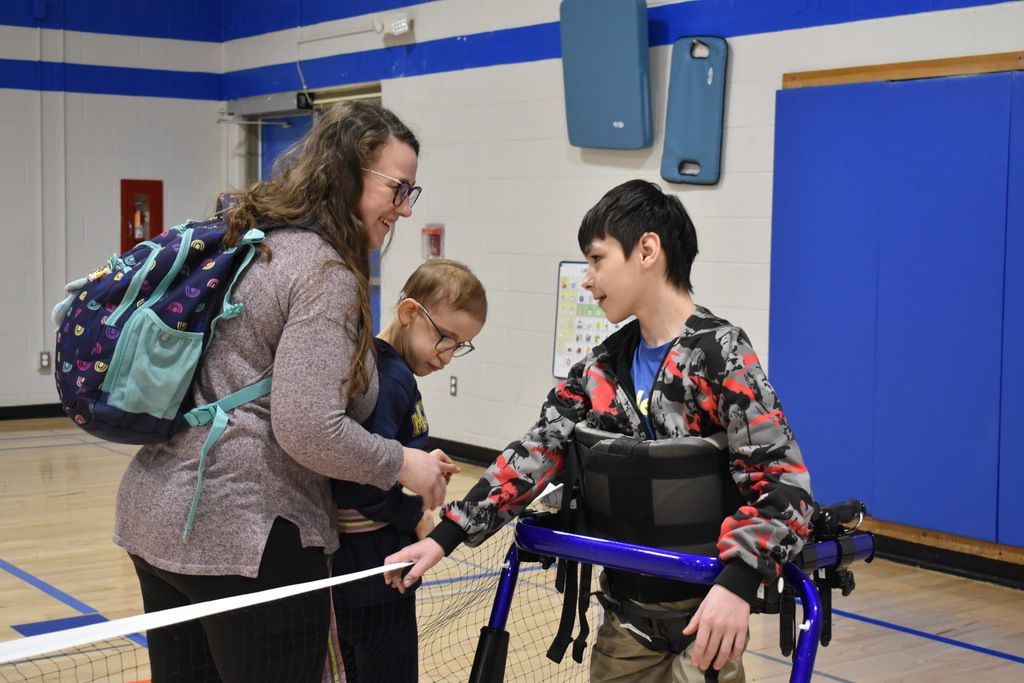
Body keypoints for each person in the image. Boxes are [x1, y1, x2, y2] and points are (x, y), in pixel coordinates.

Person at [385, 179, 815, 682]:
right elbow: (534, 451)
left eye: (596, 259)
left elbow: (785, 484)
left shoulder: (721, 354)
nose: (587, 279)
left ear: (647, 250)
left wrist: (738, 584)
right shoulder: (600, 368)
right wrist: (445, 535)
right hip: (625, 622)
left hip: (709, 620)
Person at [113, 100, 457, 683]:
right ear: (348, 173)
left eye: (410, 194)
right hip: (248, 535)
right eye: (397, 188)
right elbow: (307, 427)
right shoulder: (323, 271)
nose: (402, 208)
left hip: (157, 516)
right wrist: (406, 465)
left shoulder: (252, 242)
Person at [327, 258, 487, 682]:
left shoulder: (387, 370)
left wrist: (424, 462)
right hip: (375, 572)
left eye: (461, 346)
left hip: (370, 569)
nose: (448, 356)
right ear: (410, 313)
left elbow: (386, 453)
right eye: (446, 338)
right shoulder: (390, 379)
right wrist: (415, 516)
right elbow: (356, 484)